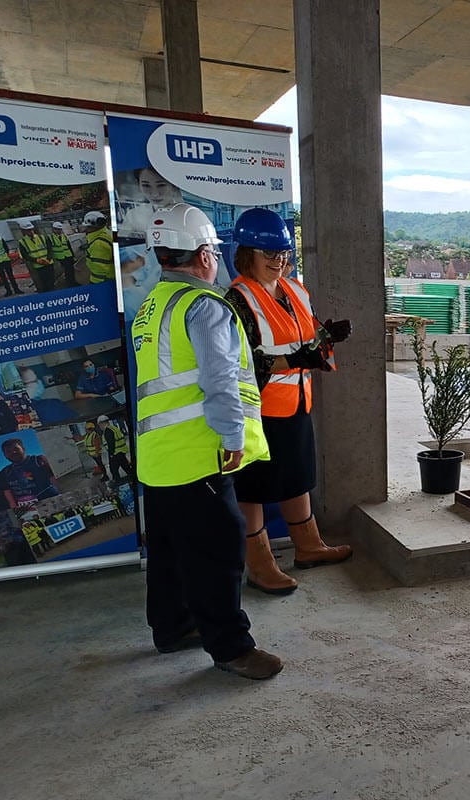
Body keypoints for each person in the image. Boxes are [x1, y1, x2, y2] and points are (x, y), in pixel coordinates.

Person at [133, 202, 281, 680]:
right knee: (219, 551)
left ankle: (172, 627)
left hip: (158, 458)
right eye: (213, 252)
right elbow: (220, 379)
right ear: (202, 255)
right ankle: (232, 646)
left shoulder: (151, 307)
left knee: (171, 551)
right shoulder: (204, 306)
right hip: (200, 453)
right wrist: (233, 434)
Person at [225, 207, 352, 594]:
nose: (278, 260)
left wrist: (325, 339)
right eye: (269, 254)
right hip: (257, 410)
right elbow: (242, 360)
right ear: (247, 254)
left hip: (296, 404)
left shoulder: (296, 290)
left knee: (298, 478)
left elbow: (306, 339)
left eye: (282, 252)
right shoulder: (238, 299)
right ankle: (260, 564)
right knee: (252, 488)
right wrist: (297, 358)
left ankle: (309, 546)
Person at [120, 166, 184, 239]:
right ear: (139, 185)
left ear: (173, 185)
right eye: (146, 185)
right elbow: (122, 243)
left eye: (161, 185)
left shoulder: (188, 215)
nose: (155, 194)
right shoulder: (134, 216)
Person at [0, 438, 59, 508]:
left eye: (16, 449)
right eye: (8, 451)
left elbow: (56, 481)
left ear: (23, 449)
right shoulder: (5, 472)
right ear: (5, 455)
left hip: (51, 503)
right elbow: (9, 497)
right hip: (27, 510)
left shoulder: (39, 460)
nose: (13, 452)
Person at [16, 221, 55, 293]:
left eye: (31, 229)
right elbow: (25, 255)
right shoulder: (22, 242)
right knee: (43, 283)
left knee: (52, 281)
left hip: (48, 263)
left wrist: (48, 259)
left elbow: (50, 248)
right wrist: (36, 260)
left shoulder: (42, 237)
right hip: (38, 265)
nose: (30, 231)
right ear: (23, 231)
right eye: (28, 230)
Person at [81, 211, 115, 284]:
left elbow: (100, 269)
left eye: (86, 226)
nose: (85, 229)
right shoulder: (107, 233)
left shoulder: (98, 243)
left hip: (102, 280)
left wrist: (96, 284)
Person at [96, 415, 133, 480]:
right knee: (126, 467)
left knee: (114, 470)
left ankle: (117, 483)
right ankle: (133, 479)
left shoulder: (107, 430)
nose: (100, 427)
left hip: (115, 453)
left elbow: (111, 443)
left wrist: (111, 454)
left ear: (103, 423)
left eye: (100, 425)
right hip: (121, 451)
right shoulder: (113, 428)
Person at [48, 222, 78, 288]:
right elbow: (49, 249)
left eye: (60, 229)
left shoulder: (64, 236)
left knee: (71, 270)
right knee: (67, 271)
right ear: (53, 229)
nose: (59, 231)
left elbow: (69, 246)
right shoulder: (50, 237)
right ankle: (70, 284)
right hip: (61, 257)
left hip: (68, 256)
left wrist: (73, 256)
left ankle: (73, 282)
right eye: (57, 229)